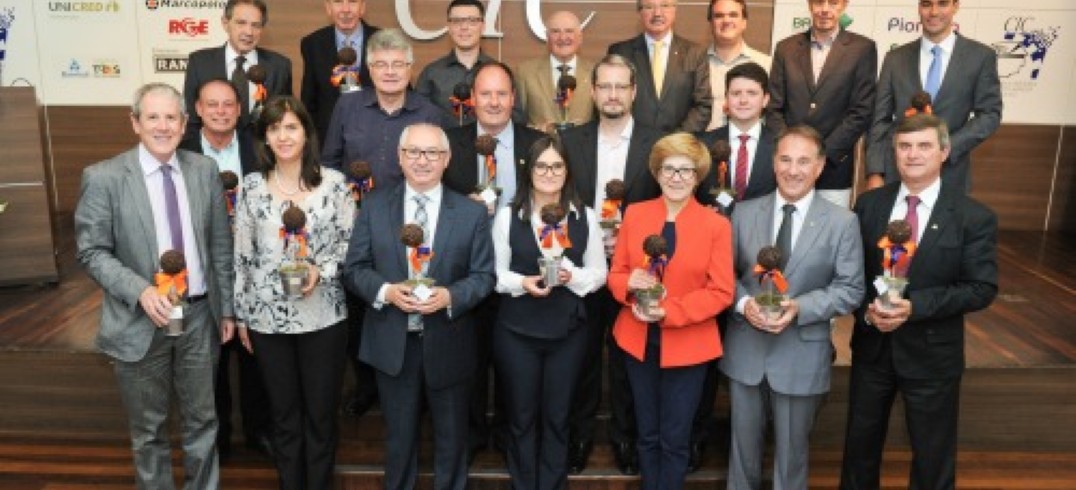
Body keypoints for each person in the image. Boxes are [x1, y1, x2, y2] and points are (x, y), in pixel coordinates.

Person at [75, 82, 235, 489]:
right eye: (153, 117)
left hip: (199, 316)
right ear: (135, 123)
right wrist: (141, 291)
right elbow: (91, 252)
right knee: (149, 432)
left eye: (171, 117)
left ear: (184, 124)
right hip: (139, 321)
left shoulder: (204, 171)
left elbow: (220, 246)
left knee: (204, 421)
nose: (163, 126)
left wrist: (227, 309)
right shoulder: (104, 177)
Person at [841, 113, 998, 490]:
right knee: (859, 452)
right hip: (872, 349)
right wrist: (867, 310)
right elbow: (852, 274)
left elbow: (981, 287)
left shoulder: (973, 217)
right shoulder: (868, 206)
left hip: (932, 356)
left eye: (924, 146)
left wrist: (916, 306)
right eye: (904, 146)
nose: (913, 155)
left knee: (932, 457)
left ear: (944, 151)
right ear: (894, 152)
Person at [343, 123, 496, 490]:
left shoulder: (471, 213)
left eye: (432, 153)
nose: (422, 160)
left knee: (452, 443)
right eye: (413, 152)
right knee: (398, 443)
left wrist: (451, 297)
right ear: (399, 157)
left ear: (447, 159)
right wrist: (386, 292)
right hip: (393, 345)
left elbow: (484, 276)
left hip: (449, 341)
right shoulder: (375, 206)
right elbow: (355, 269)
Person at [722, 125, 864, 489]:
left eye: (804, 161)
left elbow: (850, 289)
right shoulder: (743, 212)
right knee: (741, 459)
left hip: (801, 353)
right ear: (773, 163)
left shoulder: (843, 222)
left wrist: (799, 306)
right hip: (746, 352)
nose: (793, 169)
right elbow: (724, 275)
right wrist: (743, 303)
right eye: (785, 159)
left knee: (792, 459)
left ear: (819, 167)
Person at [233, 96, 354, 489]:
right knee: (284, 419)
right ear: (264, 138)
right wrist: (243, 317)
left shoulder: (334, 185)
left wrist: (324, 269)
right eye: (273, 128)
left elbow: (351, 247)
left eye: (291, 127)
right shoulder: (251, 188)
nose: (283, 136)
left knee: (321, 418)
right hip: (268, 322)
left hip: (324, 317)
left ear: (306, 133)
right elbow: (243, 258)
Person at [608, 132, 734, 489]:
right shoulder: (635, 214)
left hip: (689, 343)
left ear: (698, 177)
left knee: (675, 438)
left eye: (686, 170)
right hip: (637, 341)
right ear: (657, 173)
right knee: (646, 434)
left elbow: (722, 291)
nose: (676, 177)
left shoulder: (716, 225)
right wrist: (628, 284)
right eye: (669, 169)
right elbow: (616, 275)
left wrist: (670, 312)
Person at [559, 53, 663, 475]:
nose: (614, 94)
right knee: (581, 359)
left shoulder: (657, 143)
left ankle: (626, 437)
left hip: (634, 271)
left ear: (634, 92)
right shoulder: (571, 141)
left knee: (627, 362)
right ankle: (580, 436)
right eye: (605, 86)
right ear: (593, 90)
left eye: (622, 86)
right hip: (585, 269)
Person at [491, 136, 608, 489]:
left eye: (557, 165)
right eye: (542, 165)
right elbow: (494, 273)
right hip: (516, 332)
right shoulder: (508, 216)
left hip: (568, 332)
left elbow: (600, 273)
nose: (549, 173)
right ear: (529, 170)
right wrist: (522, 282)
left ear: (567, 170)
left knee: (558, 417)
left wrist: (573, 277)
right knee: (522, 417)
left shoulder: (584, 216)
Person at [443, 61, 545, 461]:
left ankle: (508, 436)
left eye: (502, 94)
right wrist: (461, 208)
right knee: (467, 361)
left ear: (514, 99)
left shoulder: (537, 144)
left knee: (512, 365)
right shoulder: (449, 143)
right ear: (472, 99)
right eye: (485, 93)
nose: (494, 102)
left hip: (519, 272)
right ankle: (469, 438)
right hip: (464, 271)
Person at [177, 78, 271, 461]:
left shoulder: (259, 148)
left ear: (239, 109)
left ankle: (258, 432)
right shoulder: (180, 153)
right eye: (211, 105)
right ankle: (218, 436)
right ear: (197, 110)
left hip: (252, 264)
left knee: (254, 357)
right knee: (210, 359)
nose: (220, 111)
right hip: (201, 266)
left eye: (228, 104)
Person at [866, 0, 1002, 192]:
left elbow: (990, 115)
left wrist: (944, 149)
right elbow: (879, 120)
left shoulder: (980, 57)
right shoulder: (895, 58)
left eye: (942, 4)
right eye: (926, 4)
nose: (934, 12)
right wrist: (875, 172)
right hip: (897, 175)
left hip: (951, 175)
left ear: (955, 6)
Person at [766, 0, 876, 209]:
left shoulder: (862, 49)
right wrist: (792, 154)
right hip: (790, 169)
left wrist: (822, 156)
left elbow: (862, 110)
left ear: (843, 5)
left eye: (833, 3)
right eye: (818, 2)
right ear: (809, 4)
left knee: (829, 237)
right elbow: (774, 108)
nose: (825, 9)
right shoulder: (785, 48)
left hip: (833, 169)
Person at [321, 28, 446, 184]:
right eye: (381, 65)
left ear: (410, 69)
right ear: (370, 69)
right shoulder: (347, 105)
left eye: (398, 64)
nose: (390, 72)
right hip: (354, 204)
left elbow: (436, 170)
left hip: (406, 205)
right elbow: (329, 164)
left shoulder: (428, 113)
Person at [183, 0, 293, 136]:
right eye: (241, 23)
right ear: (225, 23)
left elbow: (283, 118)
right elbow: (192, 119)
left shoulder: (279, 66)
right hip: (213, 151)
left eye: (256, 25)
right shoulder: (200, 62)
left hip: (262, 153)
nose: (249, 32)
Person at [416, 0, 525, 127]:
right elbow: (418, 118)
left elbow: (518, 118)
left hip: (489, 145)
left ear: (483, 26)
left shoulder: (499, 73)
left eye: (472, 21)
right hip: (445, 145)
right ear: (449, 27)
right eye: (457, 21)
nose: (464, 27)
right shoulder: (431, 73)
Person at [607, 0, 712, 133]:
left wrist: (675, 142)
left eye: (665, 5)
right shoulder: (620, 53)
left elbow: (703, 105)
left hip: (679, 147)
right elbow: (612, 101)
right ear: (640, 12)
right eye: (649, 7)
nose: (657, 13)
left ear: (675, 10)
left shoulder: (695, 53)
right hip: (631, 145)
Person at [696, 62, 777, 214]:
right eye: (736, 93)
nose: (743, 100)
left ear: (765, 99)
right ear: (726, 99)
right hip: (714, 231)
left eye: (752, 93)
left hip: (762, 233)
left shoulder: (779, 145)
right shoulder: (703, 144)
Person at [300, 0, 380, 142]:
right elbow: (309, 103)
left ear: (363, 7)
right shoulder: (313, 44)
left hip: (375, 137)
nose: (345, 9)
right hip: (328, 141)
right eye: (337, 2)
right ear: (328, 8)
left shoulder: (383, 41)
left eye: (353, 2)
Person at [516, 10, 595, 132]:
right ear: (547, 37)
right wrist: (536, 129)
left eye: (569, 31)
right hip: (541, 147)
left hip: (583, 148)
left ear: (580, 37)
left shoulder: (595, 72)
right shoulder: (525, 73)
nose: (563, 37)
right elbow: (518, 121)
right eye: (555, 31)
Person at [704, 0, 772, 130]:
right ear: (710, 23)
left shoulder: (766, 64)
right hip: (702, 147)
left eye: (733, 15)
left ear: (744, 22)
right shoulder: (696, 65)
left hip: (749, 147)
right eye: (719, 16)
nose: (726, 20)